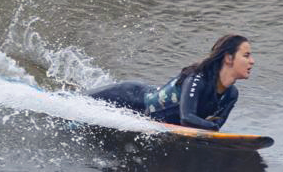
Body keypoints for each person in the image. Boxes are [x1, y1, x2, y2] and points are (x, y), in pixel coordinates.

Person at [86, 34, 254, 130]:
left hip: (147, 115)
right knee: (79, 102)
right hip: (130, 96)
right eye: (246, 55)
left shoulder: (231, 94)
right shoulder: (198, 79)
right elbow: (187, 119)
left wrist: (212, 127)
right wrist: (211, 126)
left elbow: (215, 126)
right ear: (229, 58)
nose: (252, 61)